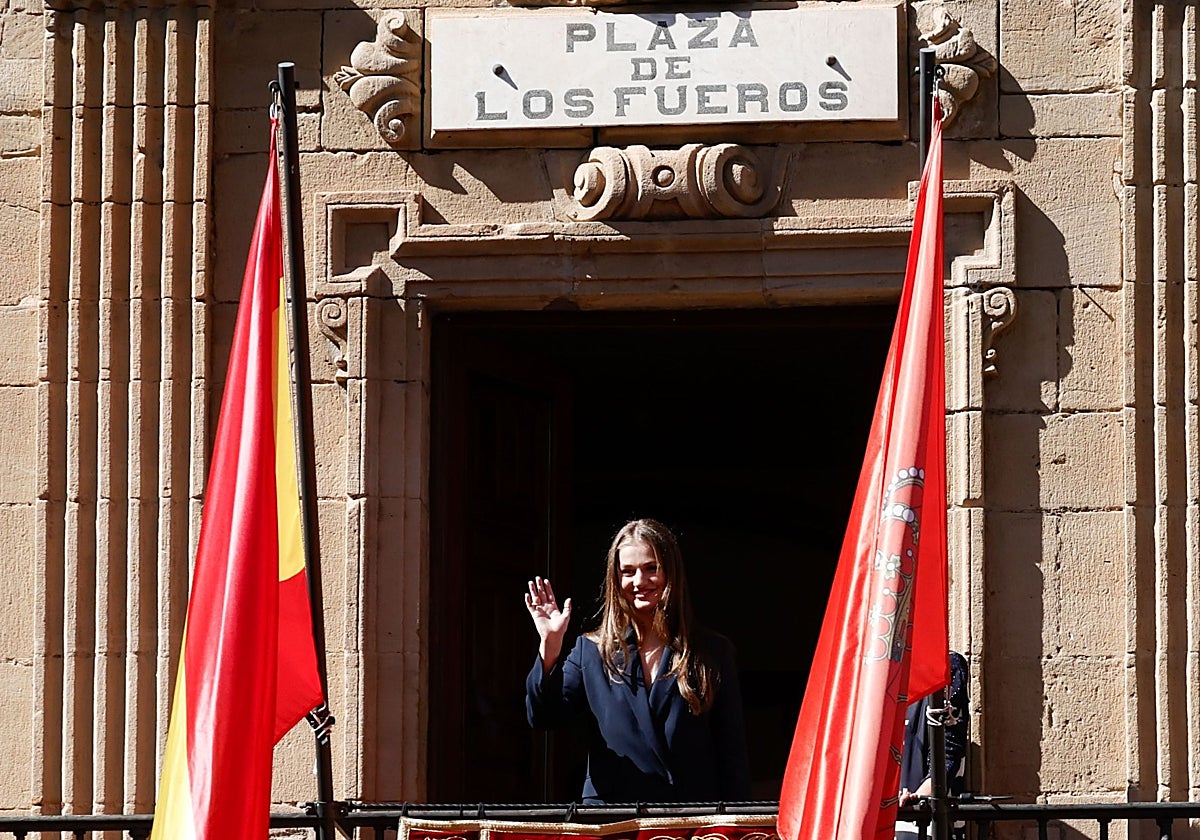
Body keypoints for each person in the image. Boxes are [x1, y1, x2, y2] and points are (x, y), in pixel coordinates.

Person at [524, 518, 751, 804]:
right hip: (614, 823)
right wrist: (550, 646)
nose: (639, 582)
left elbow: (733, 757)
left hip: (687, 821)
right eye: (628, 572)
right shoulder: (591, 651)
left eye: (651, 568)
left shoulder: (712, 651)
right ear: (615, 580)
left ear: (671, 572)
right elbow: (543, 715)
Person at [896, 651, 970, 840]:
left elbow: (948, 754)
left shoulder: (946, 665)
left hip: (918, 823)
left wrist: (916, 801)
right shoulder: (872, 671)